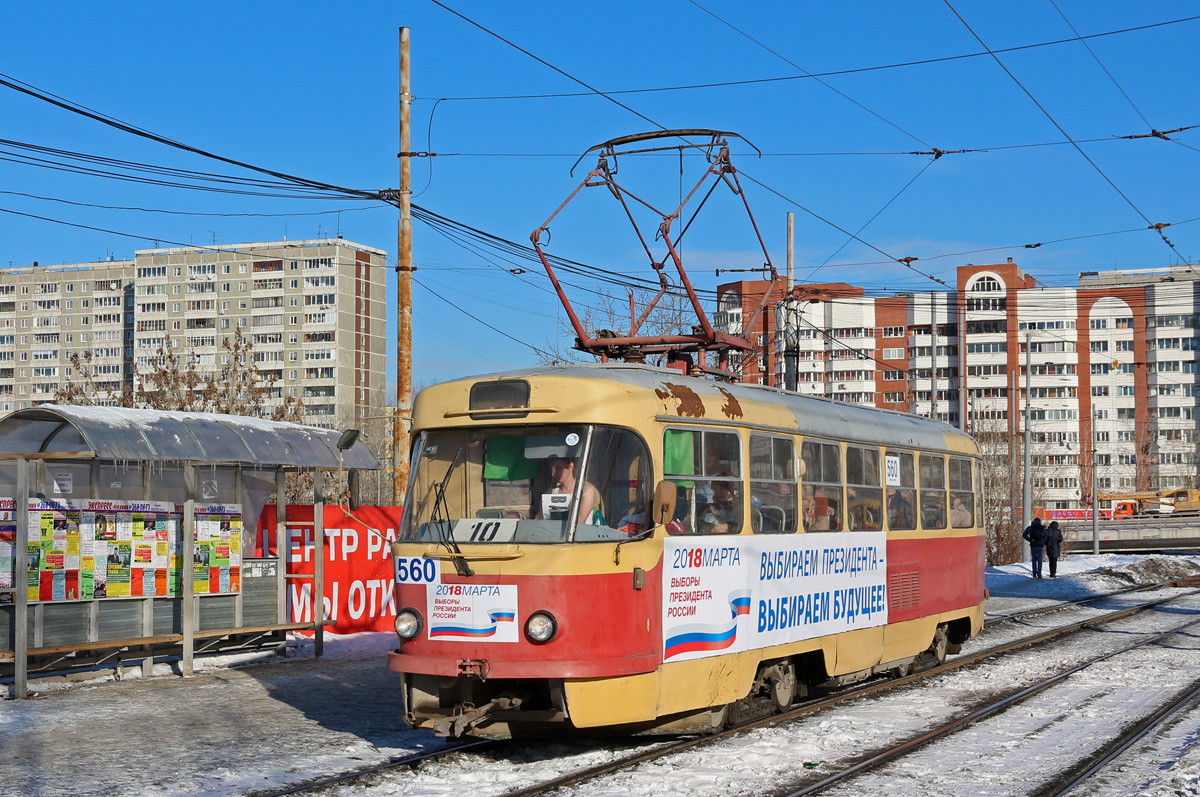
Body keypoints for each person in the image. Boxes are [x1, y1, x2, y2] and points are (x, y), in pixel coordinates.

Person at [539, 456, 602, 524]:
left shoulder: (586, 490)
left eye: (557, 468)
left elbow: (579, 521)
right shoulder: (550, 493)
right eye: (551, 469)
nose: (553, 474)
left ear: (571, 466)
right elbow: (539, 519)